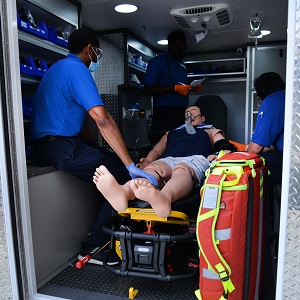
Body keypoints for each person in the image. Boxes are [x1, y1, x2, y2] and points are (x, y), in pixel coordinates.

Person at [30, 28, 157, 265]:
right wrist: (129, 164)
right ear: (89, 49)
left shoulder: (58, 68)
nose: (96, 57)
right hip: (61, 147)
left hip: (53, 144)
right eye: (96, 52)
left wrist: (99, 149)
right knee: (120, 177)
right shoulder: (78, 70)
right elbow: (102, 119)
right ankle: (96, 245)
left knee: (111, 162)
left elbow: (72, 118)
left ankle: (108, 234)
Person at [92, 105, 236, 218]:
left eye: (194, 112)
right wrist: (147, 162)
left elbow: (223, 145)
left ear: (202, 118)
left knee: (182, 169)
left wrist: (220, 154)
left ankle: (164, 198)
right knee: (153, 170)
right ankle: (124, 192)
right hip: (168, 159)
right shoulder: (172, 133)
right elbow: (156, 151)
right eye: (187, 113)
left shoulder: (209, 130)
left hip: (195, 158)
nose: (190, 114)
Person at [144, 30, 203, 145]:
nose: (182, 52)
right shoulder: (157, 62)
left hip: (182, 112)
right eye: (179, 49)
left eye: (184, 49)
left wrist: (192, 88)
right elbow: (148, 89)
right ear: (170, 46)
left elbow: (180, 86)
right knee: (162, 146)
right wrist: (174, 89)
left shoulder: (181, 64)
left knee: (181, 145)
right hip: (164, 113)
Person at [229, 72, 285, 184]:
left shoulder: (271, 101)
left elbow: (256, 149)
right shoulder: (288, 97)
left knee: (254, 164)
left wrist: (239, 153)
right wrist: (245, 147)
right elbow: (277, 144)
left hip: (292, 159)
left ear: (261, 93)